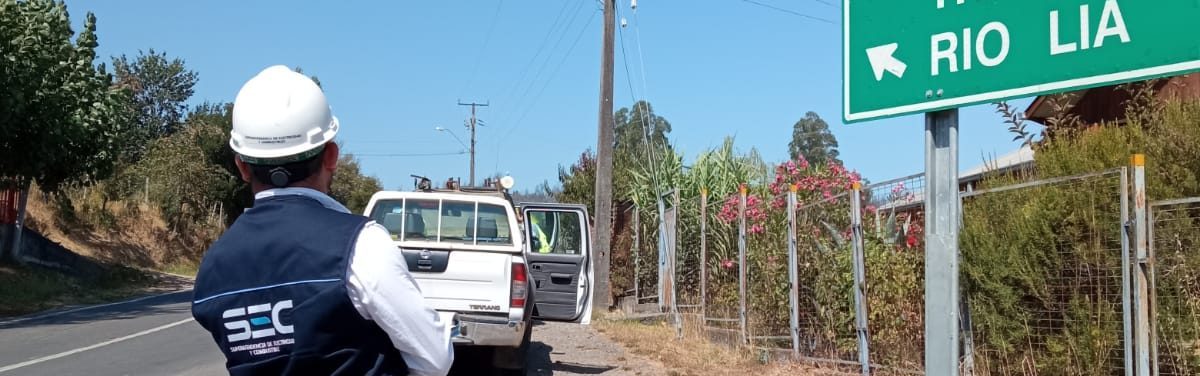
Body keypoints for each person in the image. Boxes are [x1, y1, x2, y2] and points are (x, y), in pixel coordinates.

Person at [191, 65, 453, 376]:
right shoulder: (361, 245)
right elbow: (435, 358)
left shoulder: (213, 267)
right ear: (331, 156)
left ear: (242, 167)